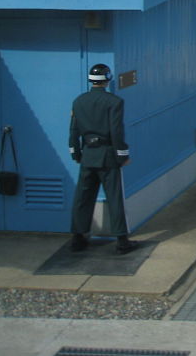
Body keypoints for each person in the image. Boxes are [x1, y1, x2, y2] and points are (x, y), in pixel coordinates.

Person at [68, 63, 138, 255]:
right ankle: (122, 240)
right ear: (108, 79)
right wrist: (122, 155)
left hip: (88, 155)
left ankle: (78, 237)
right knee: (115, 197)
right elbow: (116, 131)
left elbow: (74, 130)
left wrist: (76, 153)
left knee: (82, 197)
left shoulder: (78, 101)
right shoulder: (114, 102)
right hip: (107, 155)